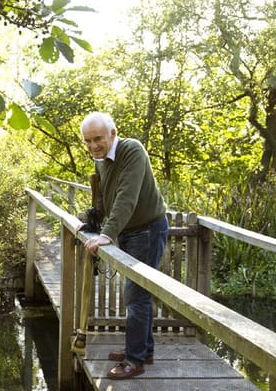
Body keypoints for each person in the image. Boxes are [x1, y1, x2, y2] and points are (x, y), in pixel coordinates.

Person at [76, 112, 169, 379]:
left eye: (98, 139)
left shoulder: (132, 150)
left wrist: (107, 234)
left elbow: (126, 197)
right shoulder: (101, 160)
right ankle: (143, 349)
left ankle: (135, 360)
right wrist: (87, 222)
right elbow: (105, 199)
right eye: (88, 141)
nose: (93, 146)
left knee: (136, 296)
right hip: (129, 231)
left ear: (113, 134)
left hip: (148, 230)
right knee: (138, 294)